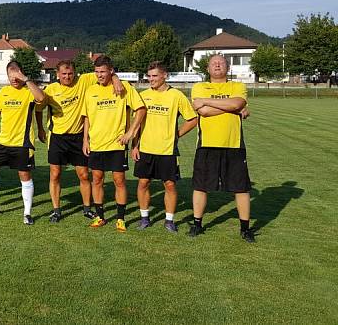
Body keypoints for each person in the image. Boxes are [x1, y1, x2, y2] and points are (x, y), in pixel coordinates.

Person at [36, 60, 124, 223]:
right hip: (57, 137)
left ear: (75, 73)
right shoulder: (50, 90)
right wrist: (41, 129)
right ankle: (56, 210)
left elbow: (105, 73)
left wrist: (116, 79)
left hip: (78, 137)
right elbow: (38, 109)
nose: (67, 77)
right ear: (57, 75)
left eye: (70, 74)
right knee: (55, 174)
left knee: (84, 175)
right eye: (64, 74)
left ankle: (87, 208)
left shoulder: (84, 80)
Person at [189, 54, 255, 242]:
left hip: (233, 144)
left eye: (221, 62)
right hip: (206, 144)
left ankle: (245, 229)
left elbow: (237, 103)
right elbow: (203, 112)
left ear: (228, 67)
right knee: (201, 186)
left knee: (241, 188)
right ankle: (197, 225)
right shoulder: (200, 87)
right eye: (213, 63)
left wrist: (208, 101)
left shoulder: (238, 86)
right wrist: (232, 107)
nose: (217, 65)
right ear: (207, 69)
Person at [130, 62, 198, 232]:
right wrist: (135, 146)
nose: (150, 79)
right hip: (145, 148)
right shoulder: (143, 95)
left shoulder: (176, 95)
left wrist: (177, 135)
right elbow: (136, 124)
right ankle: (144, 218)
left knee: (169, 185)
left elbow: (193, 119)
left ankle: (169, 220)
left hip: (167, 150)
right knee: (143, 183)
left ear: (164, 75)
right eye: (149, 76)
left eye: (154, 76)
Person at [82, 55, 146, 232]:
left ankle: (120, 218)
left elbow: (140, 110)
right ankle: (100, 216)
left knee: (119, 180)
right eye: (96, 72)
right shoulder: (90, 91)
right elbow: (86, 117)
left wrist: (131, 132)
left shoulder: (123, 87)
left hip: (117, 144)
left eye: (103, 71)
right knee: (97, 179)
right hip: (96, 144)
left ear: (111, 71)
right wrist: (85, 140)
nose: (99, 75)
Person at [0, 61, 46, 225]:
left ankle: (27, 213)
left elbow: (41, 98)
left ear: (21, 74)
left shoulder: (28, 91)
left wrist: (25, 79)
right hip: (3, 142)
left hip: (22, 143)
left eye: (16, 75)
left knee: (24, 175)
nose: (14, 79)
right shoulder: (3, 92)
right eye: (11, 76)